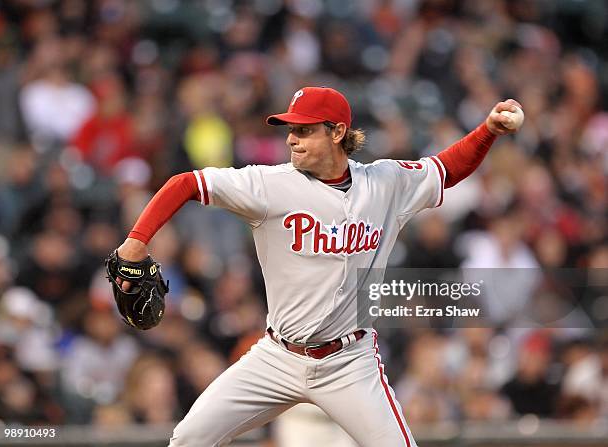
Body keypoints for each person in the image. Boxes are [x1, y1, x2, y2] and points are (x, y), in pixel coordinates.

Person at [113, 86, 521, 446]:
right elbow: (185, 183)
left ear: (338, 131)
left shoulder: (386, 182)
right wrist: (135, 243)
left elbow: (447, 168)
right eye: (290, 130)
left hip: (349, 361)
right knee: (188, 438)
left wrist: (488, 131)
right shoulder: (269, 185)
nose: (292, 140)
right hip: (276, 357)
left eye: (304, 130)